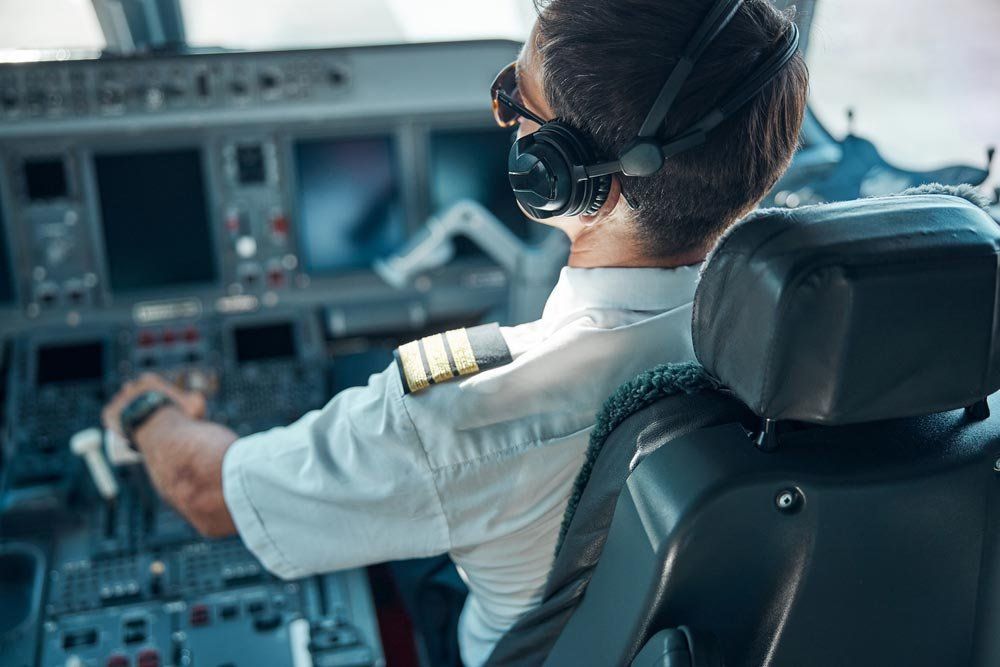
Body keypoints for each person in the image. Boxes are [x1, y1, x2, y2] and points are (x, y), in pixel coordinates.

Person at [101, 0, 808, 664]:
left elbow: (206, 492)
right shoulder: (826, 343)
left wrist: (149, 410)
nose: (505, 115)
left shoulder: (461, 411)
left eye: (516, 98)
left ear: (564, 177)